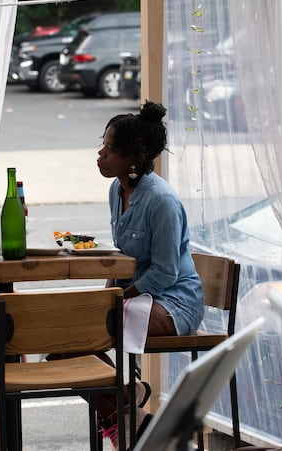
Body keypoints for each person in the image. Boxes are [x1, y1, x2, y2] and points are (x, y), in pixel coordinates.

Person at [95, 100, 205, 447]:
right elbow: (122, 258)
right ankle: (129, 405)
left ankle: (126, 414)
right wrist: (102, 296)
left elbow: (165, 272)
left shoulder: (162, 202)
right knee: (67, 339)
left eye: (110, 149)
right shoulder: (118, 190)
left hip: (174, 302)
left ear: (132, 159)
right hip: (136, 299)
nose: (100, 153)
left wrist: (116, 297)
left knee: (94, 326)